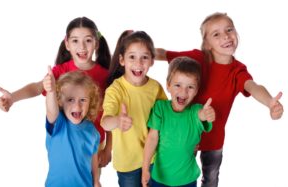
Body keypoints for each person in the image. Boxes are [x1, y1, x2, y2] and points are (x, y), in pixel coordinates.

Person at [155, 12, 284, 187]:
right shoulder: (197, 58)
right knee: (179, 175)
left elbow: (253, 86)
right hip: (186, 134)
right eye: (216, 34)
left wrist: (269, 102)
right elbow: (165, 54)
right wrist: (143, 51)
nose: (226, 36)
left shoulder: (237, 70)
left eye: (229, 30)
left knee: (211, 177)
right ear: (207, 44)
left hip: (214, 139)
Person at [0, 17, 112, 168]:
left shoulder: (105, 76)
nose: (82, 46)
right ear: (67, 43)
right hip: (66, 140)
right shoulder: (60, 71)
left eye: (88, 40)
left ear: (96, 43)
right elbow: (37, 87)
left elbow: (111, 113)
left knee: (91, 181)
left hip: (95, 143)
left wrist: (108, 149)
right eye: (75, 40)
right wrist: (12, 98)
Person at [101, 31, 167, 187]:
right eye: (132, 57)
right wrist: (117, 121)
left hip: (152, 157)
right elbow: (105, 122)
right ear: (122, 60)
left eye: (144, 57)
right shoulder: (115, 89)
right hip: (127, 162)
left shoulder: (155, 88)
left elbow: (167, 118)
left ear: (152, 61)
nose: (139, 63)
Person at [142, 57, 215, 187]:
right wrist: (145, 168)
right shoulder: (160, 108)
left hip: (187, 180)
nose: (183, 92)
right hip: (160, 179)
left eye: (190, 87)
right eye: (178, 85)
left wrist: (207, 114)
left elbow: (201, 115)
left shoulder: (196, 111)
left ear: (196, 90)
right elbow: (152, 138)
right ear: (168, 85)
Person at [43, 69, 101, 187]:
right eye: (70, 100)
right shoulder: (58, 124)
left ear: (91, 102)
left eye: (83, 100)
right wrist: (51, 91)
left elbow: (93, 157)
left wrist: (96, 180)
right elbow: (51, 110)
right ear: (60, 101)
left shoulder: (92, 131)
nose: (77, 105)